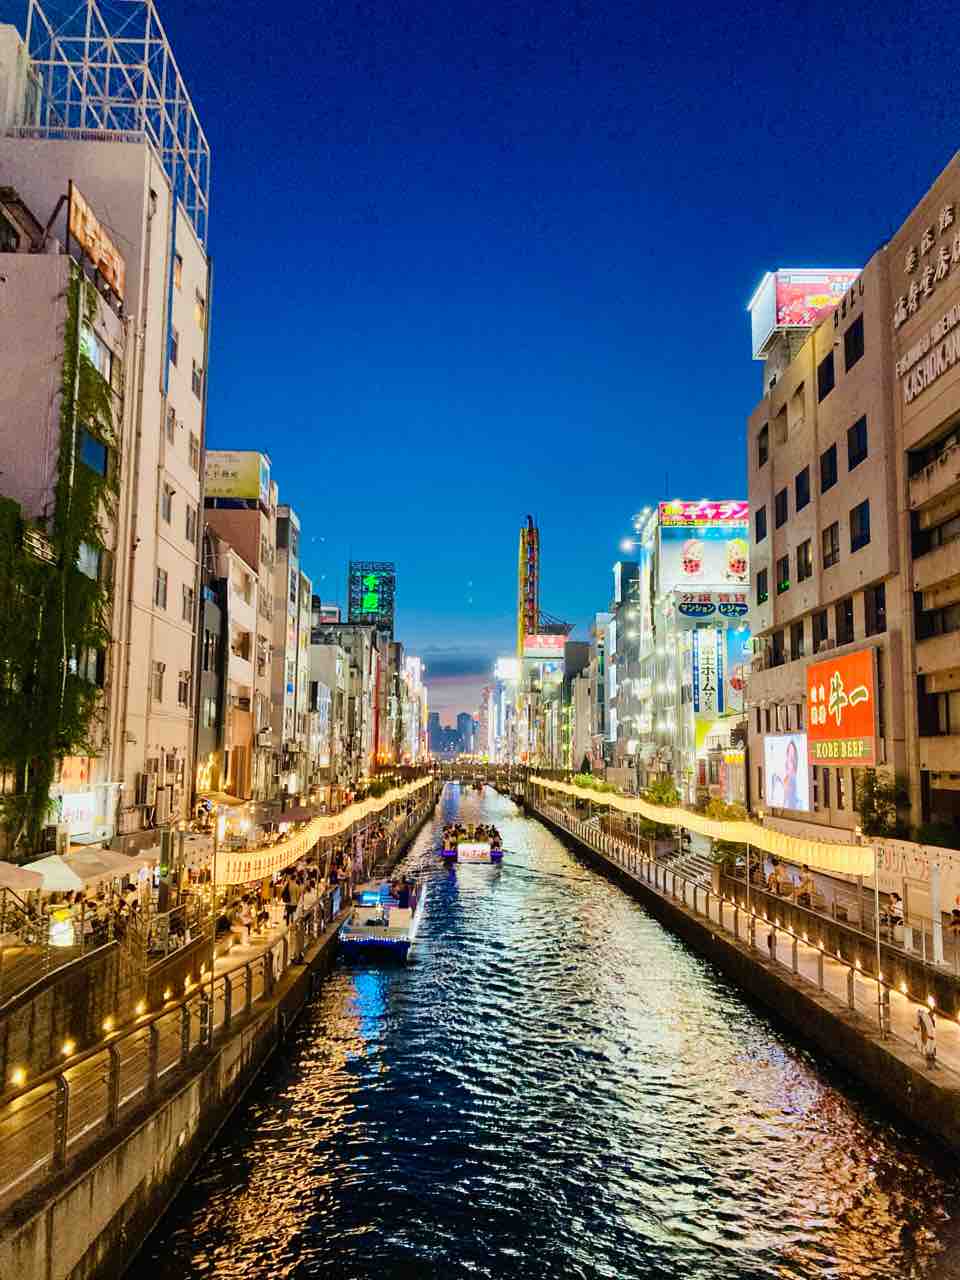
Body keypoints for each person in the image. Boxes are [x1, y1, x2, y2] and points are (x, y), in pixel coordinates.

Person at [915, 1004, 937, 1069]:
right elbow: (922, 1029)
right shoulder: (925, 1019)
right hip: (927, 1038)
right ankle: (929, 1065)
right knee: (929, 1051)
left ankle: (931, 1064)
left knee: (931, 1050)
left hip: (930, 1038)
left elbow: (932, 1030)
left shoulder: (930, 1020)